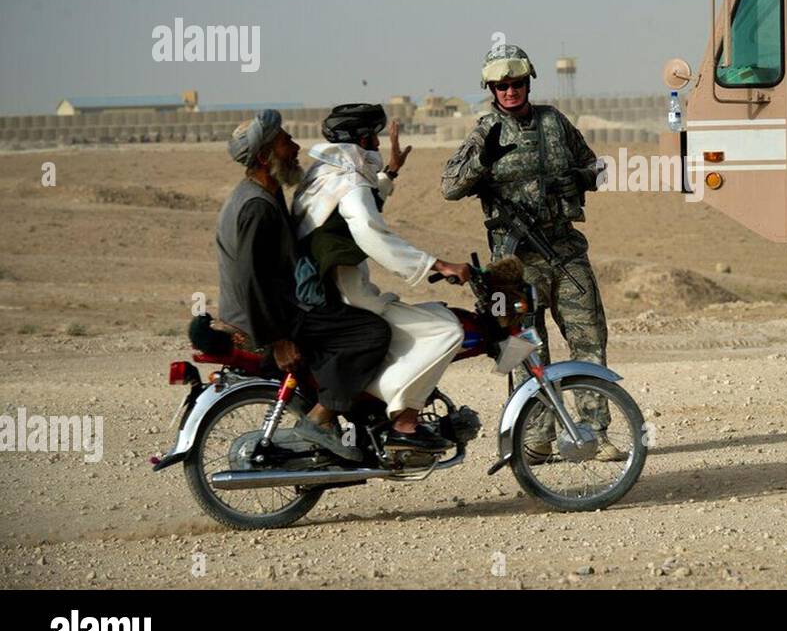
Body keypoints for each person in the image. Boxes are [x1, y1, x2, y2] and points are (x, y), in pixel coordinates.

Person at [441, 43, 624, 463]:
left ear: (528, 82)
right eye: (502, 85)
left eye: (517, 83)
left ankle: (594, 432)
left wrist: (577, 178)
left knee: (589, 338)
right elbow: (450, 188)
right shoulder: (484, 130)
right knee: (523, 346)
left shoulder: (554, 123)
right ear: (491, 88)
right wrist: (481, 163)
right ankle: (535, 439)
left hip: (564, 250)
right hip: (512, 263)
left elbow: (596, 166)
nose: (510, 91)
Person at [291, 102, 472, 452]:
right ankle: (404, 421)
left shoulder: (323, 175)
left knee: (426, 319)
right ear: (361, 139)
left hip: (330, 291)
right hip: (347, 298)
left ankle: (379, 410)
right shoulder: (347, 183)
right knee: (447, 329)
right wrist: (439, 265)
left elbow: (361, 204)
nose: (376, 144)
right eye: (372, 137)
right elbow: (371, 231)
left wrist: (390, 172)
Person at [214, 109, 391, 462]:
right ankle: (321, 418)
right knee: (372, 332)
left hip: (278, 307)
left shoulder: (265, 192)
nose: (295, 147)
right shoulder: (256, 208)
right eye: (285, 142)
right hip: (268, 317)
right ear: (265, 157)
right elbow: (252, 281)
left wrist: (389, 175)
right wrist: (279, 341)